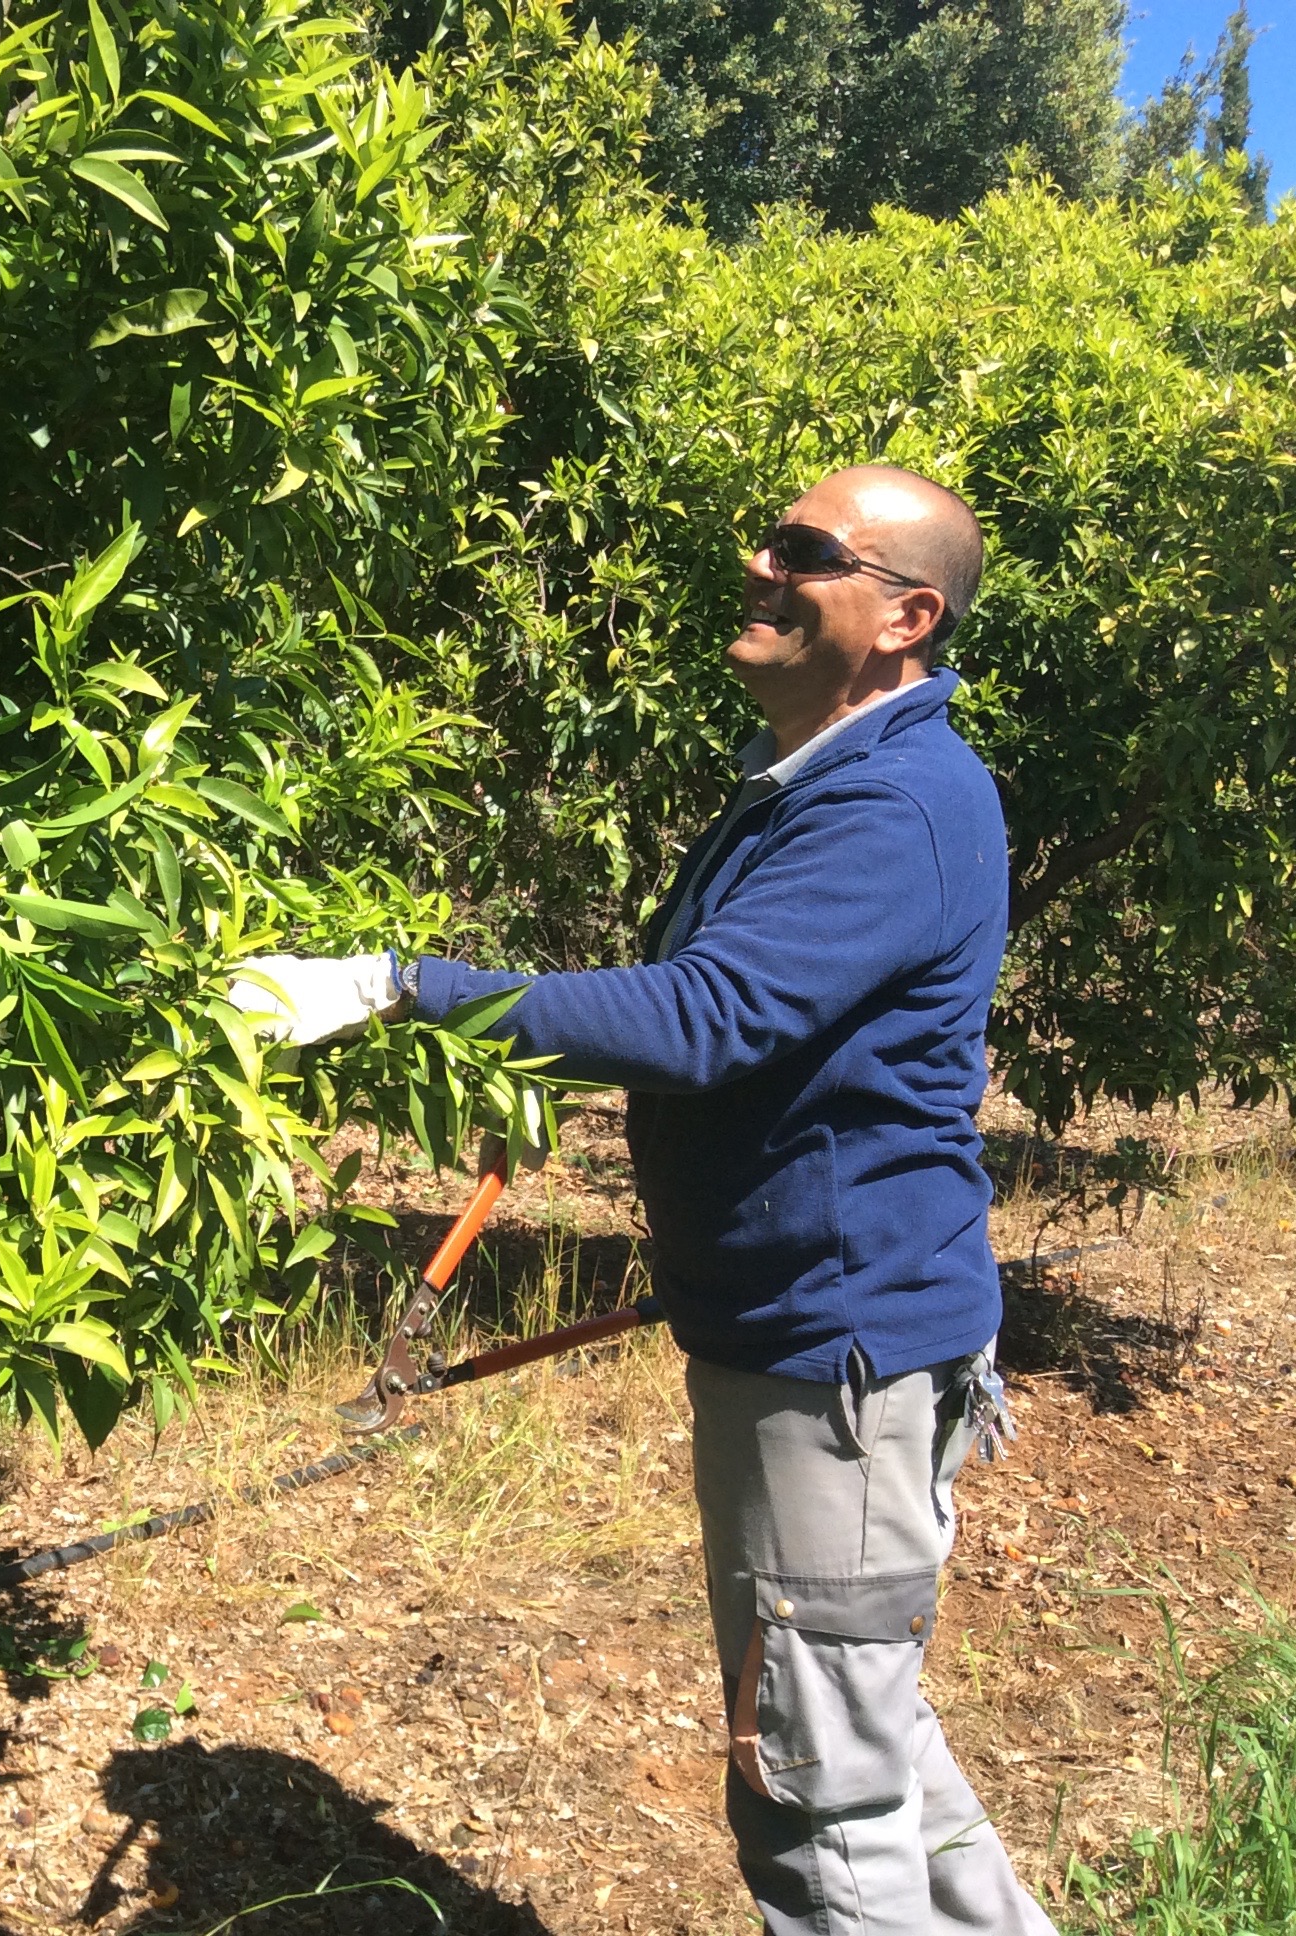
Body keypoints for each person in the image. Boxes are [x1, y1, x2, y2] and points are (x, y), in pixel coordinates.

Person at [230, 466, 1056, 1936]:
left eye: (803, 551)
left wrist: (399, 988)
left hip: (836, 1368)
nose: (758, 561)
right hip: (808, 1343)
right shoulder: (821, 780)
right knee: (865, 1736)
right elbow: (761, 1041)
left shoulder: (898, 800)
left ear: (903, 613)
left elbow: (704, 1017)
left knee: (816, 1801)